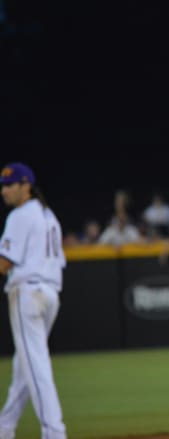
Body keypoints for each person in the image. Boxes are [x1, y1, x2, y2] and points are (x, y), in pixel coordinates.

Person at [0, 162, 67, 439]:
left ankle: (54, 432)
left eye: (10, 184)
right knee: (24, 368)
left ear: (26, 185)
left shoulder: (20, 215)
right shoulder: (48, 214)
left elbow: (5, 262)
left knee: (35, 366)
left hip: (28, 294)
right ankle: (4, 427)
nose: (5, 190)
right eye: (3, 185)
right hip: (50, 295)